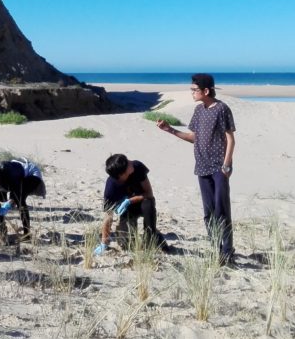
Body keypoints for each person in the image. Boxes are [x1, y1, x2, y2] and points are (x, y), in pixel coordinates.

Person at [157, 73, 236, 265]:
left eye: (194, 90)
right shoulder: (199, 111)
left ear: (206, 91)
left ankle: (227, 251)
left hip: (219, 167)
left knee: (221, 210)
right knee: (208, 212)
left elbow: (230, 138)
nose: (191, 93)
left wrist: (227, 164)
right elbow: (194, 137)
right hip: (201, 167)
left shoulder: (222, 109)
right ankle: (215, 248)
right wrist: (170, 130)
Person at [94, 154, 171, 255]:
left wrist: (129, 200)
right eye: (127, 163)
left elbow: (149, 194)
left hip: (144, 202)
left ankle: (152, 235)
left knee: (148, 204)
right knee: (126, 244)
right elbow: (108, 216)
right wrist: (104, 242)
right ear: (122, 174)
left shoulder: (137, 167)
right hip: (128, 211)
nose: (131, 162)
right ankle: (124, 233)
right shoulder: (111, 188)